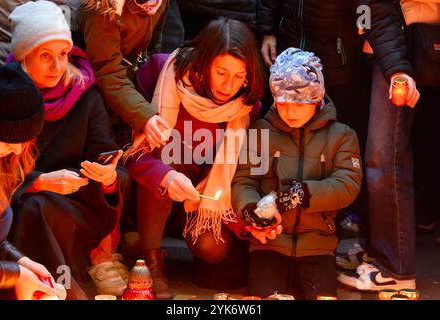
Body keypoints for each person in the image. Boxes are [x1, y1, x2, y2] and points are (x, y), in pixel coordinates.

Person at [126, 18, 264, 298]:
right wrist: (165, 175)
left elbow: (248, 168)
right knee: (166, 155)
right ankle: (151, 260)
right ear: (203, 62)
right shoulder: (161, 71)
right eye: (222, 72)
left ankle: (180, 241)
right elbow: (130, 152)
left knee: (212, 249)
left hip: (204, 198)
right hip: (156, 190)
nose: (229, 86)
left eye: (240, 76)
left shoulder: (248, 105)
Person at [6, 1, 129, 298]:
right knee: (33, 208)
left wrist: (108, 177)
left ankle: (50, 289)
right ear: (24, 57)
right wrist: (37, 182)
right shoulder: (3, 95)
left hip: (74, 205)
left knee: (41, 209)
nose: (58, 66)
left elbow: (110, 163)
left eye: (63, 54)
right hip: (10, 200)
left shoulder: (86, 95)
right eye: (45, 56)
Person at [231, 48, 363, 299]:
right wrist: (249, 209)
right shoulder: (261, 131)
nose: (289, 111)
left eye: (298, 104)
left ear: (317, 98)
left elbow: (347, 185)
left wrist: (301, 194)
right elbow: (244, 180)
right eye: (282, 103)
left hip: (318, 246)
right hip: (268, 245)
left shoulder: (342, 136)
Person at [337, 0, 420, 291]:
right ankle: (379, 253)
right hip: (382, 44)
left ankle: (396, 270)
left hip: (400, 45)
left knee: (385, 159)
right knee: (377, 157)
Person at [0, 62, 58, 300]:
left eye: (25, 141)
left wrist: (21, 261)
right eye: (8, 141)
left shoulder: (1, 164)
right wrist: (16, 275)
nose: (18, 151)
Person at [78, 0, 170, 149]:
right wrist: (144, 116)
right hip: (92, 89)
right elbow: (107, 72)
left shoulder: (159, 3)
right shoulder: (103, 9)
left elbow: (153, 46)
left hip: (128, 82)